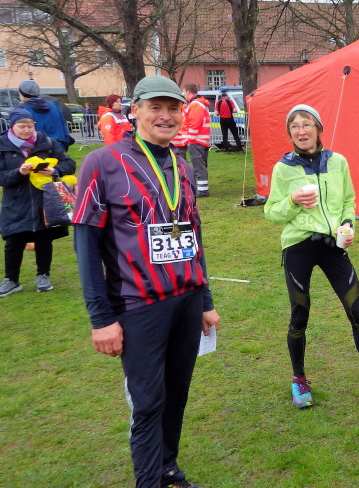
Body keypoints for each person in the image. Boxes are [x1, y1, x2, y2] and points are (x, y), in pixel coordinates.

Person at [72, 75, 221, 488]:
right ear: (134, 110)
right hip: (138, 305)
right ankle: (149, 481)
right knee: (149, 401)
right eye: (155, 107)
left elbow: (193, 238)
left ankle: (168, 470)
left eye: (173, 108)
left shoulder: (183, 166)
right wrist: (101, 319)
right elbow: (86, 246)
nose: (165, 116)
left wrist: (206, 300)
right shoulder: (102, 163)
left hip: (186, 299)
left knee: (176, 394)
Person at [265, 104, 359, 408]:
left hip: (333, 246)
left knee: (358, 311)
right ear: (290, 133)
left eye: (307, 124)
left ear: (318, 129)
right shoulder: (283, 168)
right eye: (295, 126)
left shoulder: (338, 162)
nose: (301, 131)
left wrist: (348, 225)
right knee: (300, 314)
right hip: (298, 245)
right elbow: (271, 213)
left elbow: (349, 201)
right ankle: (299, 380)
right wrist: (292, 200)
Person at [0, 107, 76, 297]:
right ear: (12, 126)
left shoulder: (46, 142)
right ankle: (11, 279)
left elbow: (69, 163)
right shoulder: (2, 145)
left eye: (30, 126)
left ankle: (43, 275)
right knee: (14, 239)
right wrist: (19, 172)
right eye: (22, 126)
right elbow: (2, 177)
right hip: (16, 201)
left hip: (45, 199)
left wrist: (54, 171)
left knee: (44, 238)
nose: (27, 130)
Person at [17, 80, 72, 151]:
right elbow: (64, 129)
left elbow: (17, 133)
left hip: (35, 149)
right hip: (58, 146)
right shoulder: (54, 106)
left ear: (21, 93)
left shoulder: (22, 109)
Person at [181, 83, 211, 197]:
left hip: (197, 140)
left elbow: (194, 123)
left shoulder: (195, 104)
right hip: (201, 140)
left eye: (184, 92)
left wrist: (191, 139)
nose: (183, 94)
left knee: (199, 166)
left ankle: (203, 190)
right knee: (201, 165)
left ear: (188, 92)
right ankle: (202, 188)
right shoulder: (198, 103)